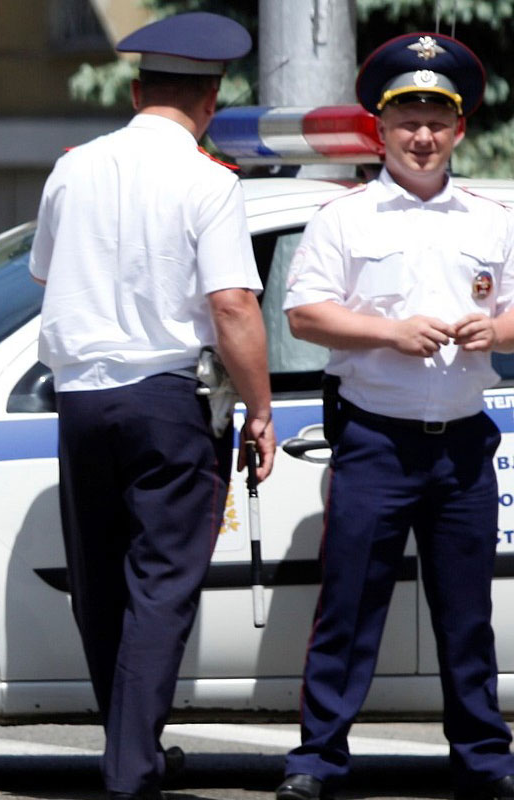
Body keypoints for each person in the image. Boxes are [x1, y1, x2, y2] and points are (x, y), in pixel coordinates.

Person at [28, 11, 276, 799]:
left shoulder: (74, 168)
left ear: (136, 90)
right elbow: (234, 305)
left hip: (81, 402)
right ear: (211, 101)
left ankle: (129, 749)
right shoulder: (209, 181)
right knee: (161, 588)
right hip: (168, 400)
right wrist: (263, 410)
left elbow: (44, 273)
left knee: (101, 585)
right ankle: (131, 768)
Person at [277, 33, 514, 800]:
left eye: (436, 121)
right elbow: (305, 316)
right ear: (381, 130)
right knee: (349, 610)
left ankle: (483, 760)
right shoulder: (345, 218)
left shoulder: (491, 218)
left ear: (459, 131)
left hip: (465, 446)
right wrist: (390, 332)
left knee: (466, 617)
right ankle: (317, 760)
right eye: (407, 120)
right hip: (376, 438)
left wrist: (498, 332)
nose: (421, 136)